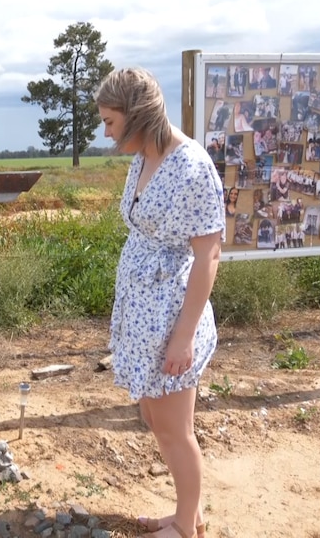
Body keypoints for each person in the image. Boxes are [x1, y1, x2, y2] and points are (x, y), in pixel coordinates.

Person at [95, 68, 225, 538]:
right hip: (145, 314)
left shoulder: (191, 167)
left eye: (111, 122)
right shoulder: (145, 157)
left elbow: (208, 253)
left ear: (137, 115)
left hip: (172, 318)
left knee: (174, 429)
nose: (105, 132)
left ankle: (186, 528)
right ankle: (186, 513)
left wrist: (183, 338)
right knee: (155, 416)